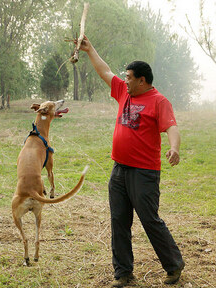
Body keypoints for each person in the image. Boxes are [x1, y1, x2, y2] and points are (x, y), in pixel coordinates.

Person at [79, 35, 185, 287]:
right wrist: (89, 48)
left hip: (144, 172)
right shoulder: (123, 92)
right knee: (119, 220)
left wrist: (174, 148)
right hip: (119, 170)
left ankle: (174, 265)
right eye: (124, 77)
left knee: (149, 219)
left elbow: (172, 127)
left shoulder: (159, 101)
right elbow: (104, 70)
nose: (124, 80)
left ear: (142, 80)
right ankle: (123, 273)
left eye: (128, 77)